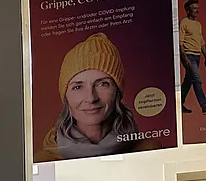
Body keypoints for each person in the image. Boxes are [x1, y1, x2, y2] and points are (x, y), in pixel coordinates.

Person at [36, 32, 153, 160]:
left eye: (102, 84)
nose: (91, 98)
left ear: (117, 91)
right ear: (66, 96)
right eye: (78, 87)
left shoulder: (148, 151)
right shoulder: (44, 161)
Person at [179, 0, 206, 115]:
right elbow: (180, 43)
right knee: (197, 79)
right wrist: (184, 58)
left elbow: (201, 42)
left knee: (188, 81)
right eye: (194, 8)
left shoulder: (198, 24)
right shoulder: (184, 22)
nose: (197, 10)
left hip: (197, 56)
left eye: (198, 8)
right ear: (188, 10)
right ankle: (205, 105)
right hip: (188, 55)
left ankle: (178, 104)